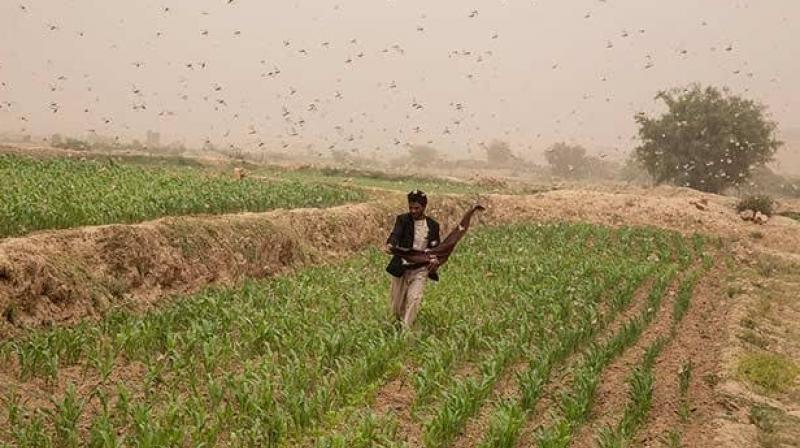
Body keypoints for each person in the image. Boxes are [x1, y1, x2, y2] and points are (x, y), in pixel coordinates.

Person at [384, 190, 441, 330]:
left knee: (414, 299)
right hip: (402, 267)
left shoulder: (433, 225)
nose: (413, 211)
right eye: (411, 208)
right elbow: (395, 234)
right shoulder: (403, 220)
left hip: (420, 269)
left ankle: (406, 331)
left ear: (424, 207)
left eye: (417, 208)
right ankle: (396, 325)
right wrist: (391, 244)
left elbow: (436, 248)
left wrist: (435, 260)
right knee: (396, 306)